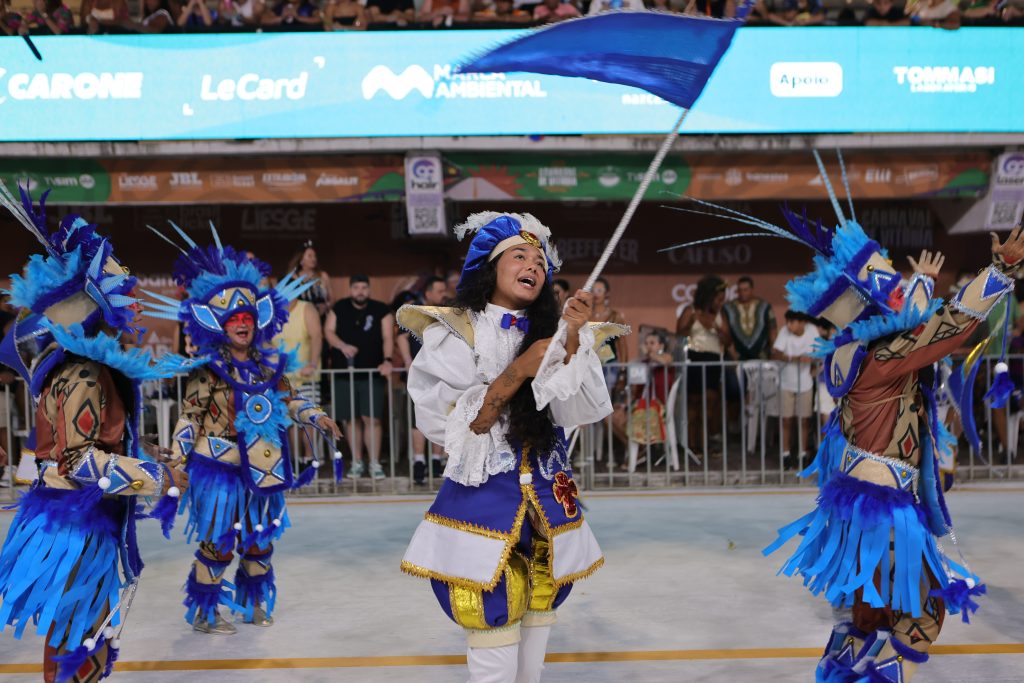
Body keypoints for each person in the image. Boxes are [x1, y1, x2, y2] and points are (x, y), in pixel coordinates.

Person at [763, 188, 1023, 681]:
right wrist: (1000, 273)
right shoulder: (887, 359)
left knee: (869, 612)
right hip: (884, 507)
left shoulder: (850, 354)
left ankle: (840, 667)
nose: (902, 293)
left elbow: (919, 322)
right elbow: (950, 326)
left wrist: (923, 281)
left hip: (852, 504)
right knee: (923, 614)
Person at [398, 212, 625, 683]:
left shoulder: (554, 336)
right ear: (489, 268)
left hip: (547, 503)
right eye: (519, 255)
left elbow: (577, 410)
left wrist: (575, 341)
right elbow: (463, 428)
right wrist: (519, 368)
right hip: (484, 504)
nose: (533, 265)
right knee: (489, 613)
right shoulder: (455, 332)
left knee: (541, 603)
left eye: (540, 260)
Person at [0, 188, 191, 681]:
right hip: (75, 521)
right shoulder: (83, 373)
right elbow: (80, 461)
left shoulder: (81, 370)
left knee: (85, 635)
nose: (127, 311)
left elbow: (97, 445)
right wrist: (158, 473)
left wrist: (145, 451)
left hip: (74, 515)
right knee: (78, 638)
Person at [144, 225, 341, 636]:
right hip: (218, 469)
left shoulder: (270, 367)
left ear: (257, 323)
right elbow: (189, 418)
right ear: (220, 325)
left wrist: (317, 417)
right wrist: (176, 465)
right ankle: (205, 612)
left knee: (259, 540)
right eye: (233, 319)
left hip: (263, 465)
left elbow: (290, 399)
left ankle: (252, 604)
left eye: (246, 318)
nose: (241, 324)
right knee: (219, 541)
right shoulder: (208, 369)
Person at [324, 275, 393, 480]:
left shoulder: (381, 309)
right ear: (350, 289)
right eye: (356, 287)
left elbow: (388, 337)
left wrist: (388, 360)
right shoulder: (339, 307)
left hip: (372, 372)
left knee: (372, 419)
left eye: (364, 287)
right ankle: (356, 461)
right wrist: (342, 346)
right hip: (344, 373)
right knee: (350, 420)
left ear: (369, 289)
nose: (360, 291)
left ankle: (374, 463)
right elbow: (328, 331)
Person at [395, 276, 447, 485]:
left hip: (442, 374)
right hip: (419, 375)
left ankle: (436, 460)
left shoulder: (448, 314)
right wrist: (408, 360)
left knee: (440, 416)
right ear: (429, 293)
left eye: (444, 290)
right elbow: (401, 336)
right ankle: (419, 461)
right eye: (440, 290)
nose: (444, 294)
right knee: (417, 419)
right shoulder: (416, 312)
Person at [676, 275, 733, 452]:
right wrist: (691, 323)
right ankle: (691, 444)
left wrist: (719, 330)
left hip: (713, 359)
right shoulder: (690, 311)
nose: (720, 302)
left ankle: (705, 442)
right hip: (694, 357)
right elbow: (679, 334)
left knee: (709, 402)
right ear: (708, 295)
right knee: (693, 402)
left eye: (722, 299)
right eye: (718, 298)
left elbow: (729, 341)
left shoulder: (721, 313)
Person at [273, 292, 324, 466]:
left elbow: (316, 336)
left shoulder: (306, 308)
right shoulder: (272, 310)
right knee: (290, 422)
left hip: (306, 376)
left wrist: (313, 363)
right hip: (281, 379)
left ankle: (310, 459)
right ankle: (295, 462)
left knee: (309, 419)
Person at [771, 310, 818, 469]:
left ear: (802, 322)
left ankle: (803, 454)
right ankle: (785, 454)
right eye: (788, 322)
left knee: (805, 419)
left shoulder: (812, 331)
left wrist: (811, 359)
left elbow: (819, 352)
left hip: (805, 383)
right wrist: (794, 358)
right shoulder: (784, 332)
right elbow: (776, 353)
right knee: (786, 420)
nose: (789, 326)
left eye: (792, 322)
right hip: (785, 383)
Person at [723, 276, 777, 361]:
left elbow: (772, 329)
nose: (742, 293)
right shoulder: (728, 308)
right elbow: (726, 332)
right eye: (740, 290)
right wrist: (733, 354)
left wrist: (773, 350)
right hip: (739, 356)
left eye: (745, 290)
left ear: (752, 289)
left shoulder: (765, 307)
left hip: (762, 355)